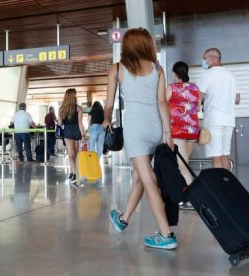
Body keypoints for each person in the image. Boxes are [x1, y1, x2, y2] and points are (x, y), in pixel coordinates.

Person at [104, 28, 178, 250]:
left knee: (147, 178)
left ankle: (166, 234)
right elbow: (163, 103)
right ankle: (124, 218)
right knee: (139, 175)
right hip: (155, 126)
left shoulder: (117, 68)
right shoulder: (158, 68)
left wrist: (106, 120)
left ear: (127, 45)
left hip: (135, 128)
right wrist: (168, 134)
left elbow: (108, 104)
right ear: (147, 44)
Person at [198, 48, 240, 170]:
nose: (203, 62)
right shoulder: (232, 75)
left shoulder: (206, 75)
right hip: (229, 120)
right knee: (225, 155)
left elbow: (198, 98)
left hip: (214, 120)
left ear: (211, 59)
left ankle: (218, 187)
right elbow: (237, 100)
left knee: (216, 156)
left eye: (204, 59)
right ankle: (226, 185)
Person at [167, 61, 202, 185]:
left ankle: (191, 197)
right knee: (184, 161)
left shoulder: (172, 87)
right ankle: (185, 190)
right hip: (193, 129)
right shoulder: (195, 88)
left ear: (175, 74)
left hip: (178, 129)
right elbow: (198, 108)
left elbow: (162, 105)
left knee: (182, 164)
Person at [58, 88, 86, 188]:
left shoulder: (61, 109)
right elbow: (80, 123)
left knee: (71, 155)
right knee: (75, 154)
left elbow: (60, 124)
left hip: (68, 132)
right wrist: (83, 136)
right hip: (76, 132)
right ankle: (74, 174)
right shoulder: (79, 108)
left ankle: (73, 174)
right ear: (73, 96)